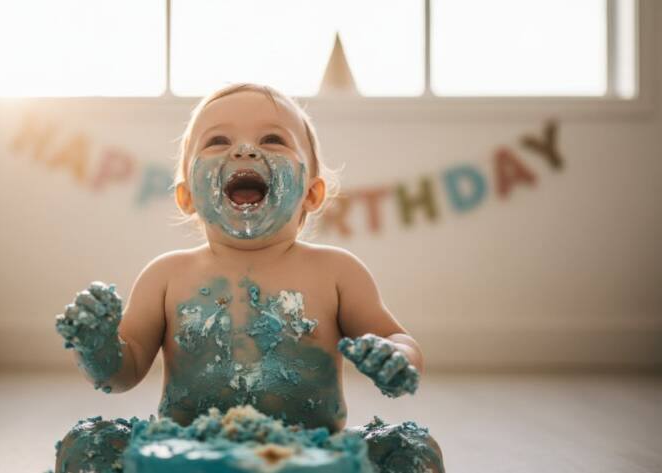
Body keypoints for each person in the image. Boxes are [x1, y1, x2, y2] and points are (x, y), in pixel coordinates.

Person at [54, 83, 444, 473]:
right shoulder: (166, 275)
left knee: (412, 450)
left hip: (309, 458)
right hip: (185, 456)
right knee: (87, 444)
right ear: (186, 195)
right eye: (218, 140)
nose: (244, 150)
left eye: (273, 140)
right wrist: (96, 347)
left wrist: (396, 358)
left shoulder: (337, 272)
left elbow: (398, 338)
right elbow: (123, 372)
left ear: (312, 192)